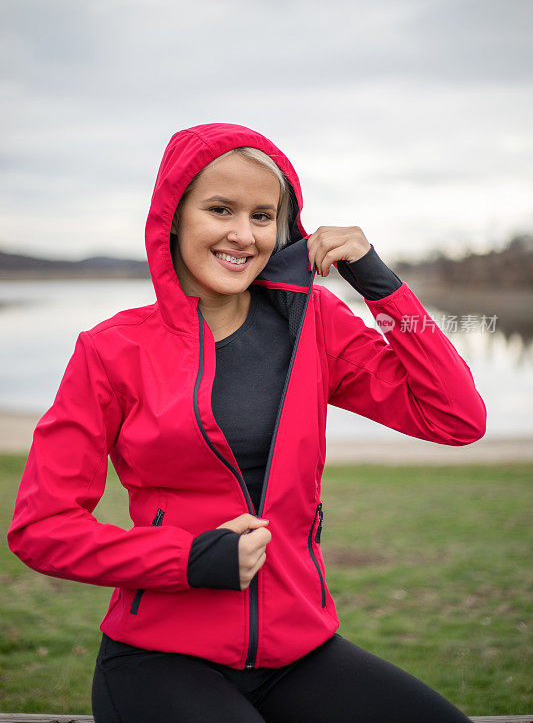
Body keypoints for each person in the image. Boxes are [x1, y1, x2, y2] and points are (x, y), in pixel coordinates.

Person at [7, 122, 486, 722]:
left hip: (301, 650)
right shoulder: (111, 351)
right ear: (173, 217)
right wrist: (184, 561)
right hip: (160, 659)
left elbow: (456, 416)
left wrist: (380, 284)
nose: (242, 234)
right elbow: (42, 528)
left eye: (263, 215)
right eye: (220, 209)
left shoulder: (312, 326)